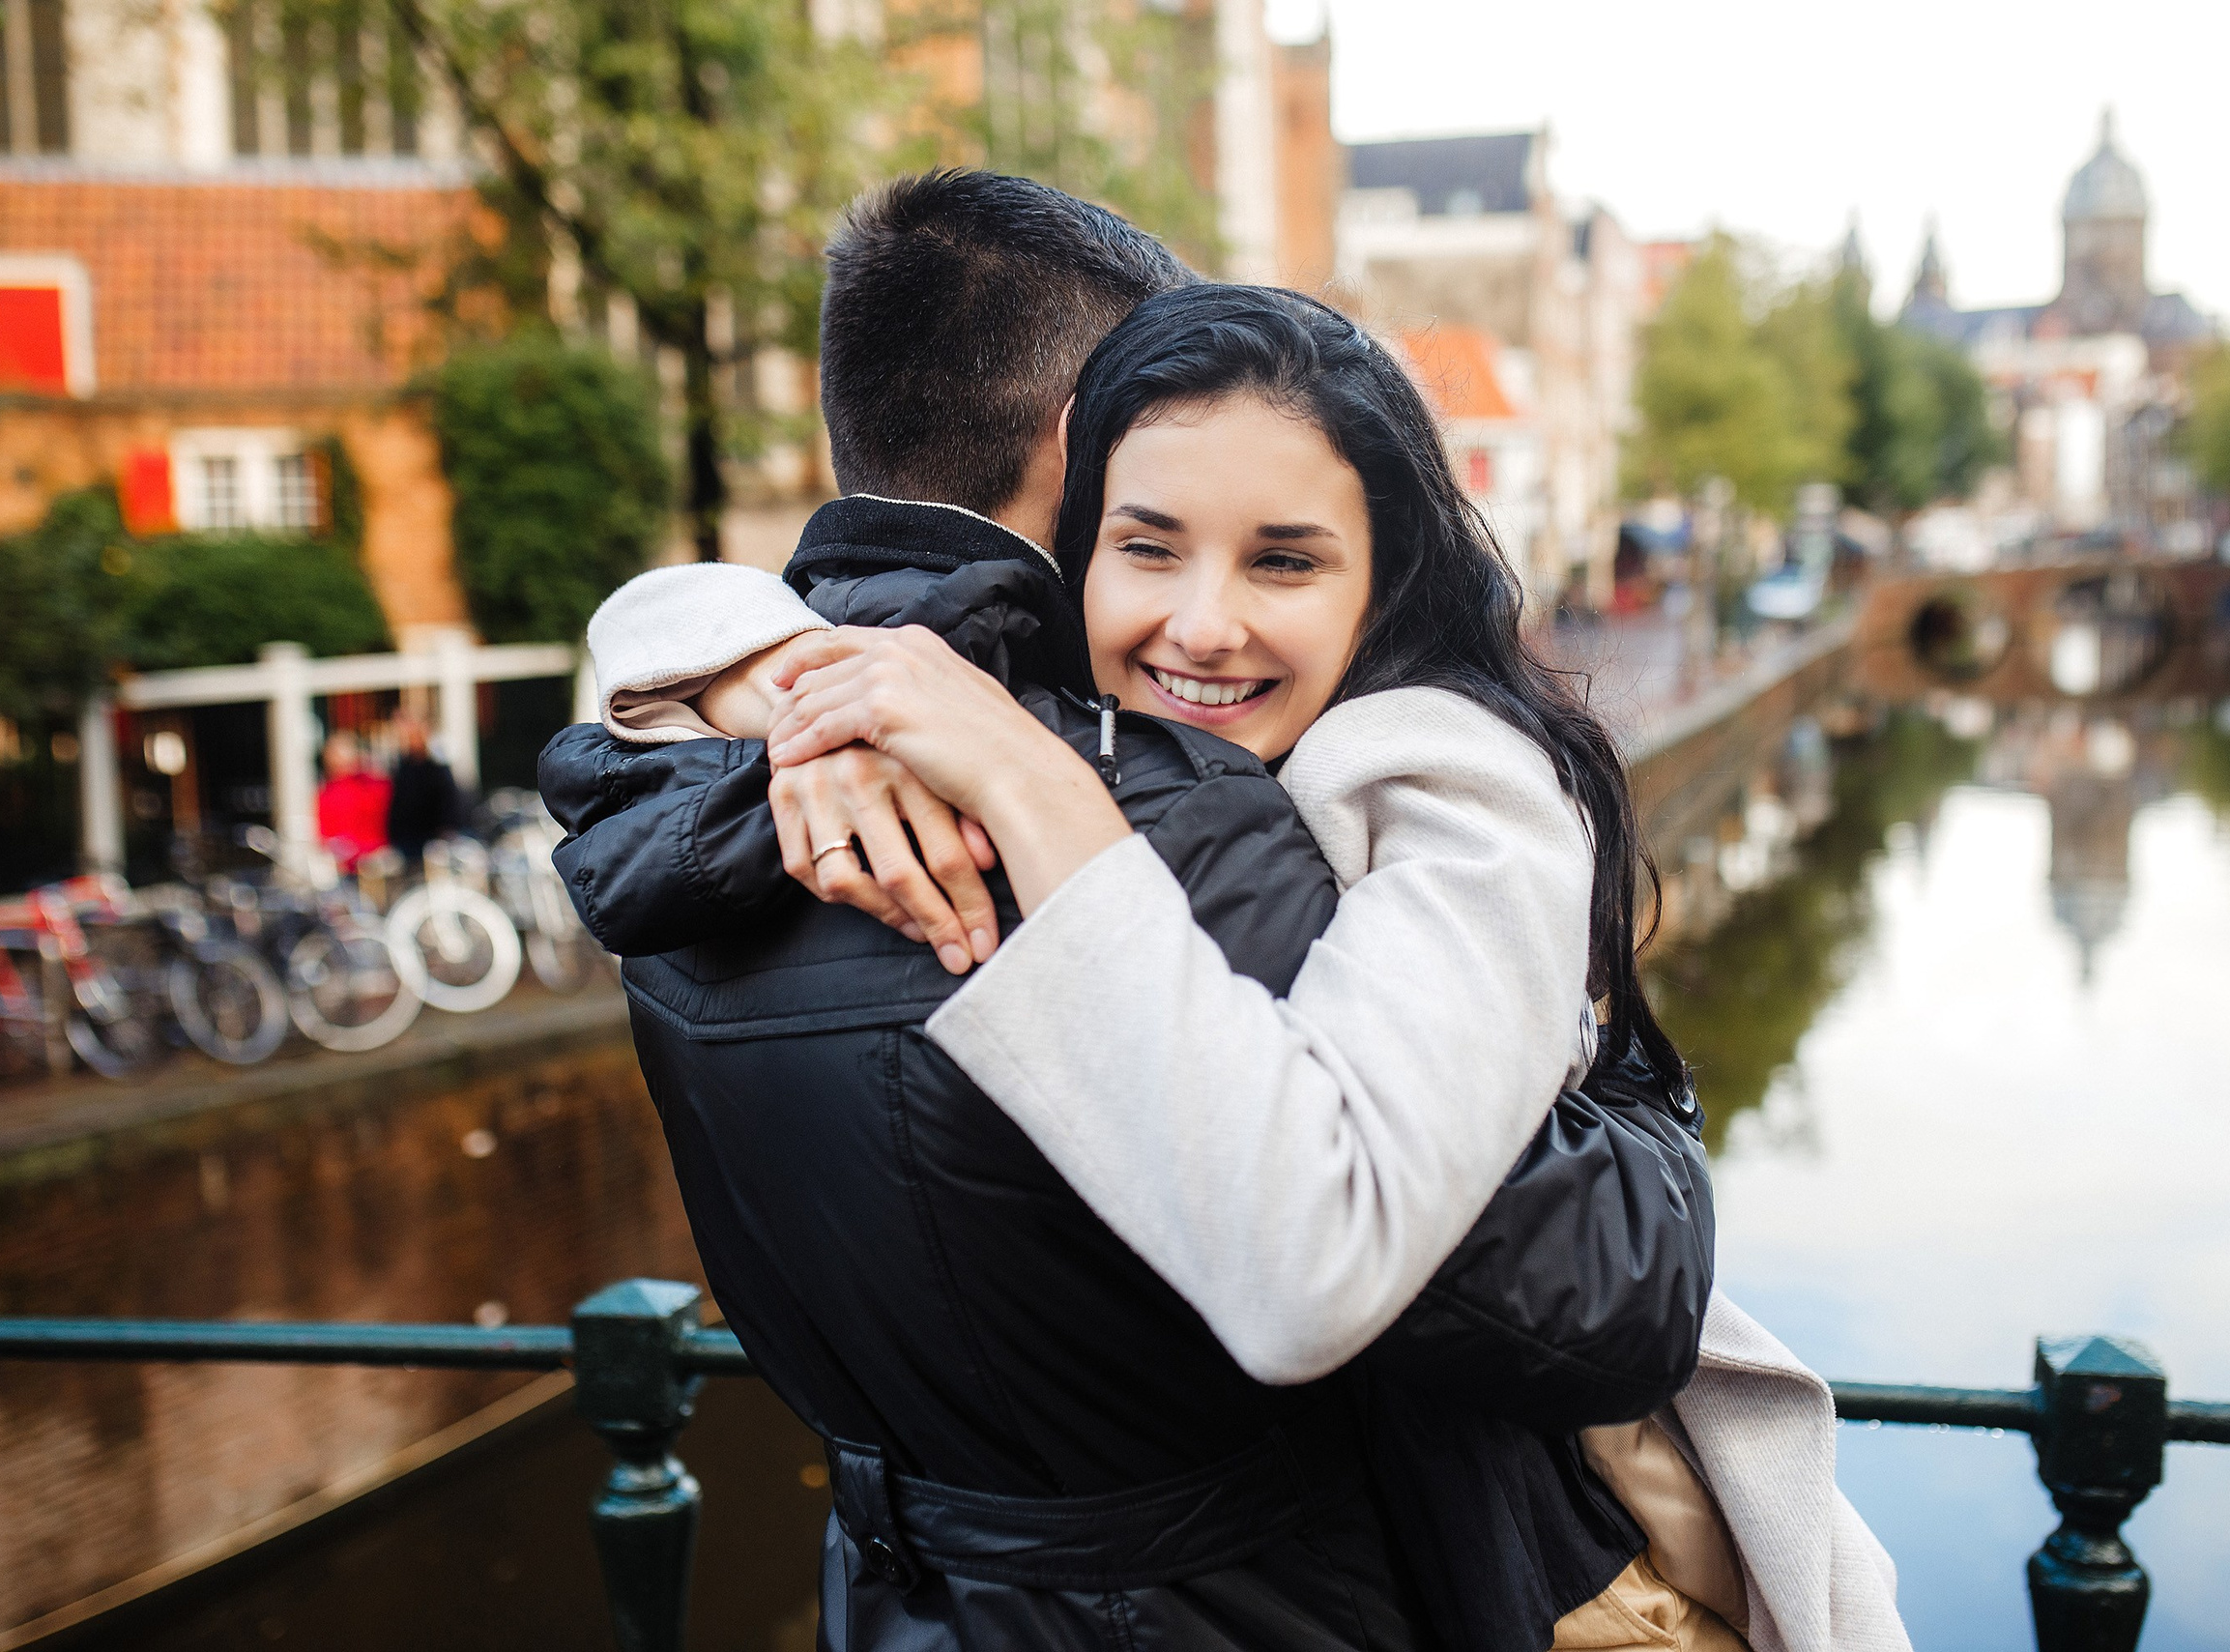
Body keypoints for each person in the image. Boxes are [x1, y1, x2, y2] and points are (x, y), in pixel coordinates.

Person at [577, 281, 1908, 1651]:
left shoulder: (1440, 784)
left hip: (1546, 1569)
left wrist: (1038, 794)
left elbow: (1352, 1270)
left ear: (1384, 576)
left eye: (1284, 563)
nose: (1205, 623)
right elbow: (663, 626)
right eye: (1148, 546)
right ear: (1073, 534)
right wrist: (796, 678)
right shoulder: (1079, 736)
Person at [385, 712, 463, 866]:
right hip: (407, 841)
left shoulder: (437, 768)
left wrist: (445, 833)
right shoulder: (404, 768)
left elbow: (448, 803)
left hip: (430, 841)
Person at [313, 731, 390, 872]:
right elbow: (325, 834)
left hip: (376, 858)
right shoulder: (326, 793)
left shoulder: (372, 785)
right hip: (349, 865)